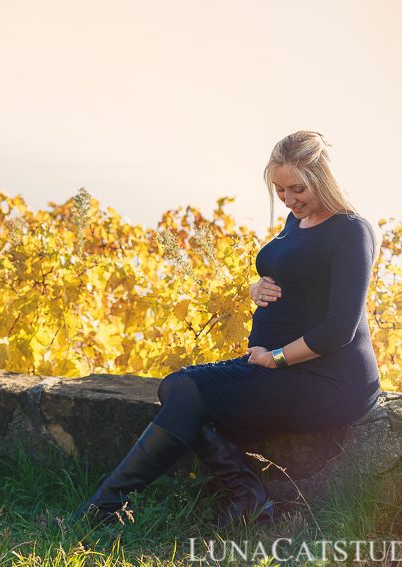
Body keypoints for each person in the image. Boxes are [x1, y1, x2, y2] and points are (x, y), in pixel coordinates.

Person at [73, 130, 382, 528]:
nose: (288, 199)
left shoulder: (350, 232)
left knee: (186, 391)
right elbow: (291, 271)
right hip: (283, 369)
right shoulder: (296, 221)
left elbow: (340, 327)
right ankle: (247, 494)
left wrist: (276, 357)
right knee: (174, 387)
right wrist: (257, 288)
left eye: (297, 188)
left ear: (322, 178)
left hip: (330, 381)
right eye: (280, 189)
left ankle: (104, 507)